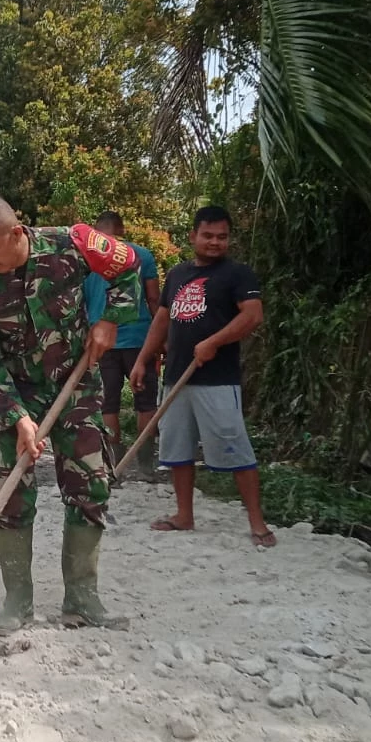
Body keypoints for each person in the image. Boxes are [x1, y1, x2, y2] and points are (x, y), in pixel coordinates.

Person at [0, 192, 140, 631]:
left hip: (76, 386)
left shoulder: (72, 244)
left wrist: (110, 319)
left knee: (90, 485)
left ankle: (81, 598)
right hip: (15, 395)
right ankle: (17, 602)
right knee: (11, 492)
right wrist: (17, 417)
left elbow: (128, 266)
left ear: (17, 232)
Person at [132, 205, 274, 546]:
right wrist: (142, 359)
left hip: (218, 380)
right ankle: (184, 516)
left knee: (236, 448)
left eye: (222, 237)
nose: (214, 243)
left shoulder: (238, 274)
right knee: (178, 449)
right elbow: (162, 321)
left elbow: (253, 316)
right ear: (193, 236)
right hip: (178, 376)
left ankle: (257, 523)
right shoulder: (179, 274)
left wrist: (214, 341)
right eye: (207, 236)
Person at [82, 210, 163, 481]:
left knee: (108, 404)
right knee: (145, 401)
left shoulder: (88, 259)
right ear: (123, 231)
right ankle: (145, 464)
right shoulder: (142, 255)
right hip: (140, 340)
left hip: (102, 342)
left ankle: (113, 464)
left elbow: (79, 303)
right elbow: (154, 300)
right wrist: (163, 339)